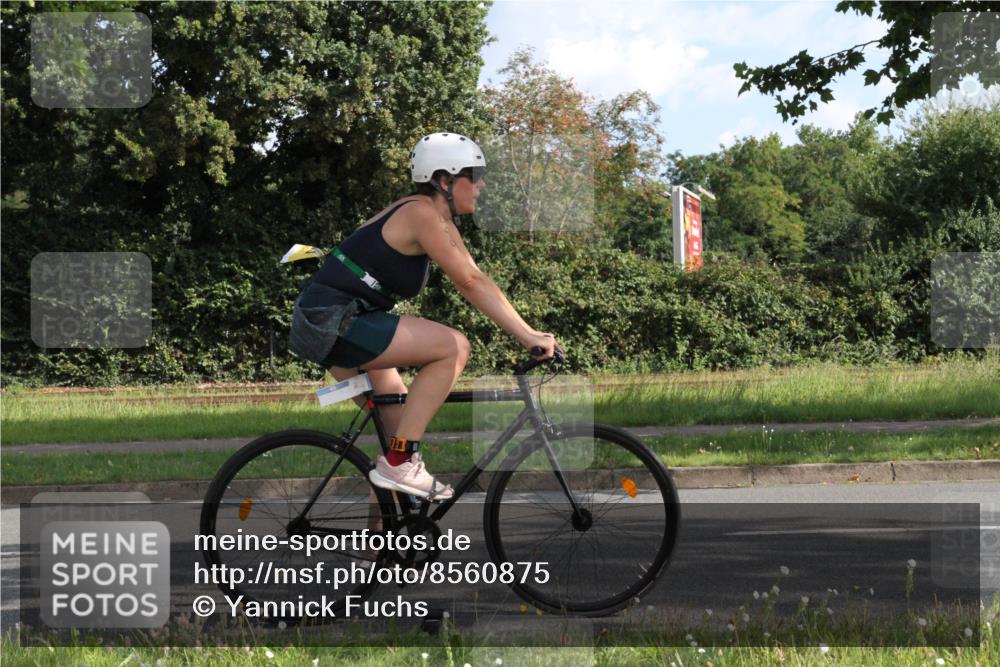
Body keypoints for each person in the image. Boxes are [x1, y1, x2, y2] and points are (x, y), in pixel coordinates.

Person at [289, 132, 558, 501]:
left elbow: (478, 277)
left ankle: (382, 550)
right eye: (474, 175)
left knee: (398, 441)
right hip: (336, 321)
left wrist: (530, 332)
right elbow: (468, 282)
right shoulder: (421, 213)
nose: (482, 184)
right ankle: (399, 462)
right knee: (453, 346)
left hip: (338, 320)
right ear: (445, 180)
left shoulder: (431, 215)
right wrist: (529, 339)